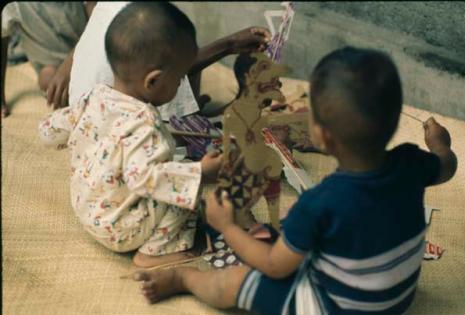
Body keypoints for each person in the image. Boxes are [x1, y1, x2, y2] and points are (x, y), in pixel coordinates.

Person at [133, 47, 458, 315]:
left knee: (236, 278)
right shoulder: (413, 161)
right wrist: (439, 144)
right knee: (281, 233)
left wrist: (226, 228)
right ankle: (250, 231)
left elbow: (276, 267)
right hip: (396, 300)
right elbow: (448, 165)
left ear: (321, 137)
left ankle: (184, 280)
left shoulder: (320, 203)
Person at [38, 2, 224, 268]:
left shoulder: (95, 95)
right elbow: (145, 180)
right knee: (184, 183)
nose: (183, 83)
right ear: (154, 81)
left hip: (87, 208)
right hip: (122, 229)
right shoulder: (145, 124)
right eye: (180, 77)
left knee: (175, 178)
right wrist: (201, 173)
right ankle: (156, 250)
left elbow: (48, 130)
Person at [68, 1, 271, 121]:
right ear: (153, 81)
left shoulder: (128, 13)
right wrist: (203, 171)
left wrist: (230, 44)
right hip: (117, 120)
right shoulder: (144, 129)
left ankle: (197, 113)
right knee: (175, 46)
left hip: (88, 111)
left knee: (180, 44)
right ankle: (218, 114)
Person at [1, 2, 96, 117]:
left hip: (88, 47)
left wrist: (72, 62)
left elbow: (98, 18)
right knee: (51, 83)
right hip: (51, 64)